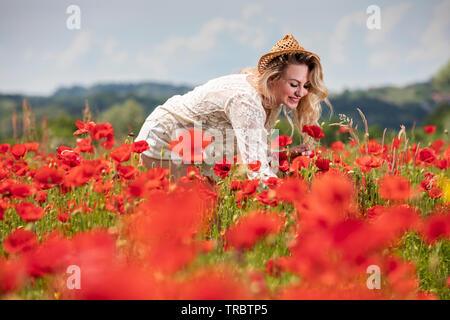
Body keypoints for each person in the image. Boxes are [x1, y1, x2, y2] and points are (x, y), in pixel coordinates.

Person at [135, 34, 330, 183]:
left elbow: (256, 153)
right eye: (294, 84)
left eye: (305, 86)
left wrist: (285, 156)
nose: (301, 93)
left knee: (210, 215)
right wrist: (295, 198)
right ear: (273, 78)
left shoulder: (273, 100)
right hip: (166, 137)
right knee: (197, 212)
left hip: (194, 145)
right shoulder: (246, 101)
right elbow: (257, 172)